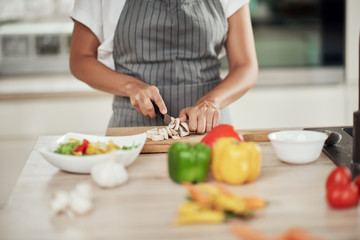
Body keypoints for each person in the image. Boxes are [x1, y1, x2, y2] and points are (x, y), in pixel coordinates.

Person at [69, 0, 258, 134]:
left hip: (210, 129)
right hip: (132, 131)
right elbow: (80, 59)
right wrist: (132, 87)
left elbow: (246, 65)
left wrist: (211, 102)